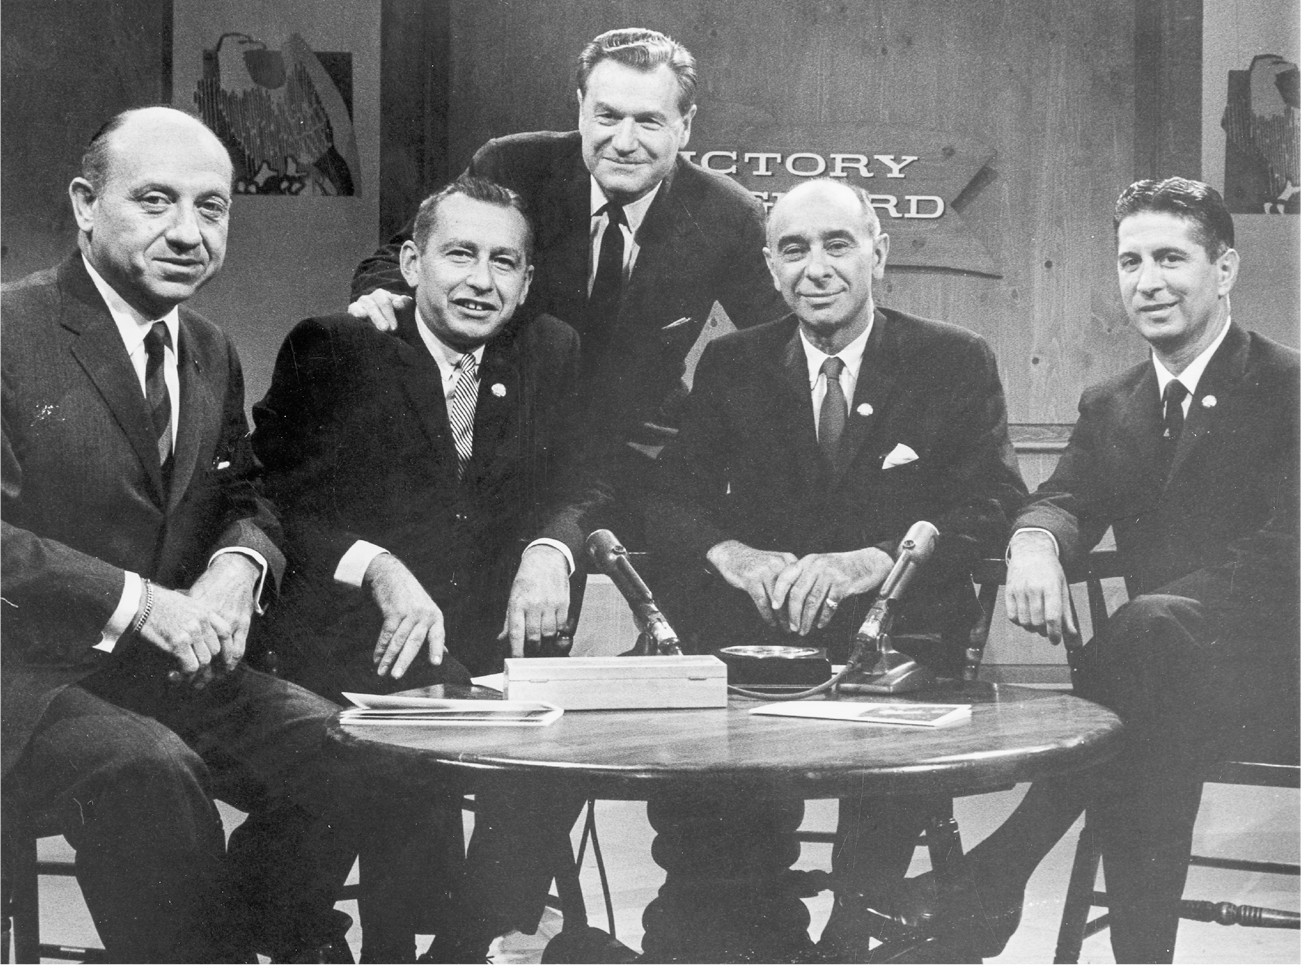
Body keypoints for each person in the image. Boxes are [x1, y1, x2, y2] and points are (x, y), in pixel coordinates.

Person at [0, 106, 387, 963]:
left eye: (211, 208)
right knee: (151, 771)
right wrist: (141, 604)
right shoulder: (9, 331)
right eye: (155, 200)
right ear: (84, 204)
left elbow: (245, 490)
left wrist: (236, 566)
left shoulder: (209, 347)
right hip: (24, 682)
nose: (187, 232)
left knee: (354, 750)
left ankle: (260, 936)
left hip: (168, 670)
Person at [893, 178, 1300, 963]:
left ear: (1223, 269)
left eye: (1170, 259)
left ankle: (1000, 867)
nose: (1146, 282)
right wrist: (1034, 545)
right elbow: (1063, 497)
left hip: (1278, 678)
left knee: (1146, 647)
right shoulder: (1112, 402)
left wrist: (1161, 613)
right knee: (1149, 720)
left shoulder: (1290, 386)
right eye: (1129, 261)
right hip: (1164, 688)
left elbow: (1289, 552)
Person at [644, 177, 1027, 961]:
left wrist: (873, 560)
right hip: (760, 651)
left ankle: (854, 932)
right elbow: (664, 500)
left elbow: (990, 505)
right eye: (793, 249)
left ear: (878, 256)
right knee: (710, 851)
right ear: (769, 267)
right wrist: (734, 554)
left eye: (836, 244)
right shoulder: (731, 362)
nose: (815, 267)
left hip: (898, 653)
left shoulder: (951, 359)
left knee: (870, 874)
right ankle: (749, 925)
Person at [252, 177, 596, 963]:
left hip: (488, 643)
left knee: (570, 754)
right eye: (460, 255)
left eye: (503, 262)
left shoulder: (549, 349)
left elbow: (583, 484)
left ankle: (464, 941)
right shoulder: (336, 345)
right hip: (348, 643)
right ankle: (329, 936)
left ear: (526, 281)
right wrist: (374, 565)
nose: (481, 280)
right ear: (410, 263)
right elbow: (270, 499)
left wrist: (553, 546)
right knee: (397, 754)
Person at [349, 27, 786, 553]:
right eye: (607, 116)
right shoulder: (512, 167)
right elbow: (400, 258)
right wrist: (381, 294)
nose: (624, 142)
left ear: (685, 125)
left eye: (649, 121)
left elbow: (776, 336)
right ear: (580, 110)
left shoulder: (726, 215)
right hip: (511, 431)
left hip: (636, 442)